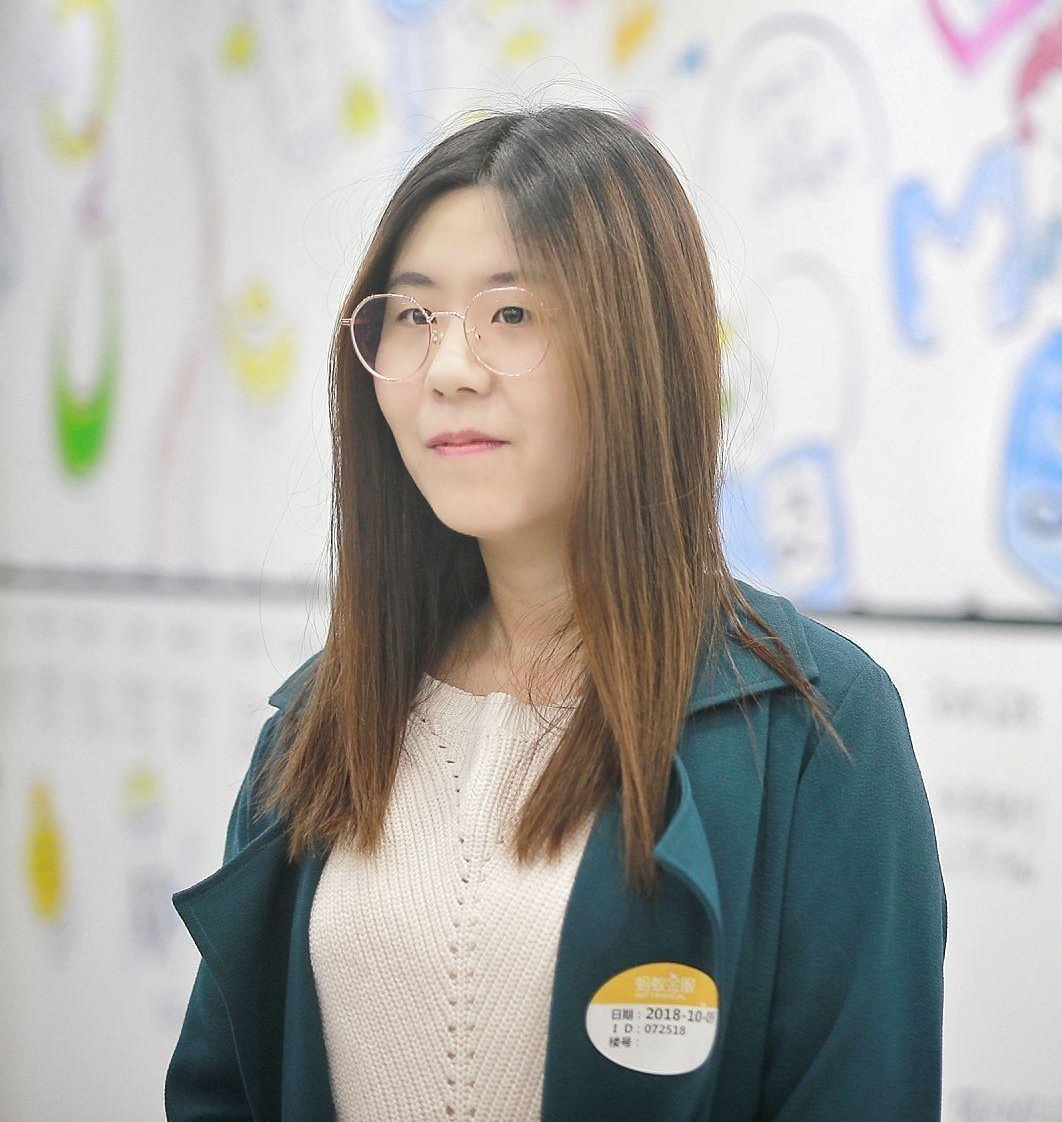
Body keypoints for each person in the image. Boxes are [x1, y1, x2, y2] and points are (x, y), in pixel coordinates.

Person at [165, 105, 947, 1120]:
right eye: (413, 316)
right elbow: (220, 1089)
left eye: (513, 314)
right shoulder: (319, 723)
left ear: (636, 348)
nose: (450, 368)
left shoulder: (811, 723)